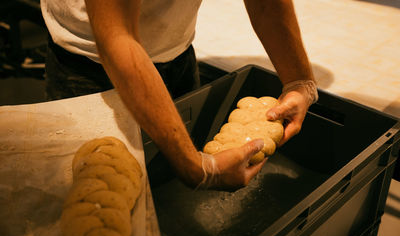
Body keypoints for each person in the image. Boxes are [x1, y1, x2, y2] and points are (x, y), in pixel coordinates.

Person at [40, 0, 318, 190]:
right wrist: (195, 168)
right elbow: (117, 36)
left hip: (177, 54)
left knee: (168, 197)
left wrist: (298, 79)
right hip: (90, 66)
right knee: (98, 196)